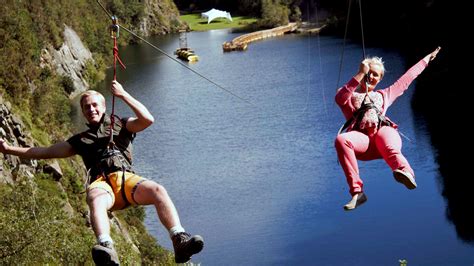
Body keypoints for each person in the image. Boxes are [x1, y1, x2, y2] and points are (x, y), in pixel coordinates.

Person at [0, 80, 204, 264]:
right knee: (95, 195)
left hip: (126, 180)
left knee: (158, 190)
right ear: (83, 112)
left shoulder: (122, 125)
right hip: (103, 185)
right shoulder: (80, 140)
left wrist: (123, 95)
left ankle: (179, 240)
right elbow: (45, 151)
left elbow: (147, 119)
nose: (91, 109)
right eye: (86, 107)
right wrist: (9, 149)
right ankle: (107, 247)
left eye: (95, 105)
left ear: (103, 106)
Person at [334, 47, 441, 211]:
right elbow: (340, 98)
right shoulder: (349, 95)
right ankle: (357, 193)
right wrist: (359, 74)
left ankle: (405, 172)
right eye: (368, 72)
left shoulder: (385, 95)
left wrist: (426, 60)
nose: (371, 76)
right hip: (365, 145)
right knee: (342, 139)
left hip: (384, 137)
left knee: (385, 135)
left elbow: (407, 78)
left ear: (380, 79)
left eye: (375, 74)